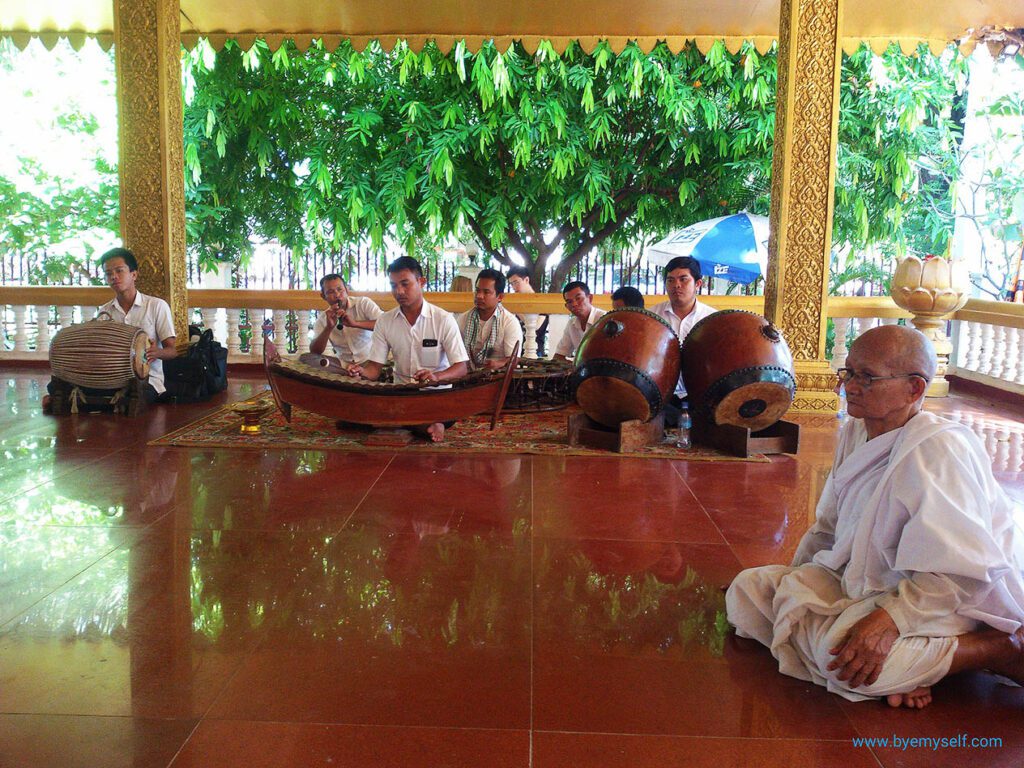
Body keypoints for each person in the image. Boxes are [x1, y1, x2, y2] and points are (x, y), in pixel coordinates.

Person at [726, 325, 1024, 708]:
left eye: (867, 376)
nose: (850, 385)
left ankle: (994, 649)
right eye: (848, 372)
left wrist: (888, 621)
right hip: (863, 586)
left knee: (845, 662)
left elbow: (961, 574)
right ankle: (928, 664)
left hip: (944, 603)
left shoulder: (937, 450)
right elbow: (829, 528)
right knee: (747, 591)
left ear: (914, 389)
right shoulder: (855, 432)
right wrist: (793, 579)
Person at [347, 256, 470, 442]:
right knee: (349, 417)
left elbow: (461, 368)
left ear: (421, 282)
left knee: (439, 409)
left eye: (405, 284)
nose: (399, 291)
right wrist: (360, 371)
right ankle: (430, 423)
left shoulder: (443, 319)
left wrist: (437, 377)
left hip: (437, 395)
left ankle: (428, 421)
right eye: (393, 285)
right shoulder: (384, 321)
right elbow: (374, 370)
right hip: (403, 394)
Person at [46, 247, 177, 408]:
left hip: (147, 380)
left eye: (119, 271)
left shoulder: (156, 306)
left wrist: (157, 352)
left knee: (129, 401)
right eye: (108, 274)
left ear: (133, 274)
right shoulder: (104, 311)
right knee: (57, 385)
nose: (114, 277)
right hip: (110, 380)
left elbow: (172, 351)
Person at [649, 256, 716, 425]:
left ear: (698, 284)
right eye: (670, 280)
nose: (676, 285)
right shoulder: (650, 317)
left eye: (683, 279)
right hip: (661, 397)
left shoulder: (713, 319)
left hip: (700, 396)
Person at [454, 268, 523, 371]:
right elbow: (455, 354)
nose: (479, 296)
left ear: (500, 297)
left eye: (486, 292)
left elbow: (514, 359)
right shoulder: (463, 319)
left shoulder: (509, 322)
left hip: (497, 380)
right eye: (477, 290)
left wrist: (498, 364)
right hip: (467, 378)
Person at [309, 273, 382, 363]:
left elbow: (384, 325)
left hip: (371, 360)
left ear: (347, 290)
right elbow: (315, 351)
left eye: (340, 289)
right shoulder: (323, 319)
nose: (337, 295)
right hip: (345, 365)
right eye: (330, 292)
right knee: (309, 360)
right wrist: (328, 328)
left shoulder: (363, 303)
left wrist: (355, 324)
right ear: (323, 296)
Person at [553, 281, 607, 362]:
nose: (574, 304)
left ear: (590, 298)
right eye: (569, 302)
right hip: (581, 371)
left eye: (578, 298)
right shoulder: (572, 323)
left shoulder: (605, 319)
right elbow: (559, 356)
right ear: (566, 306)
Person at [507, 265, 547, 358]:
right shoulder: (515, 302)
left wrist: (515, 308)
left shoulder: (541, 301)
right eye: (511, 284)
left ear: (526, 280)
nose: (513, 287)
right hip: (515, 350)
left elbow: (536, 326)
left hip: (535, 352)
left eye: (516, 282)